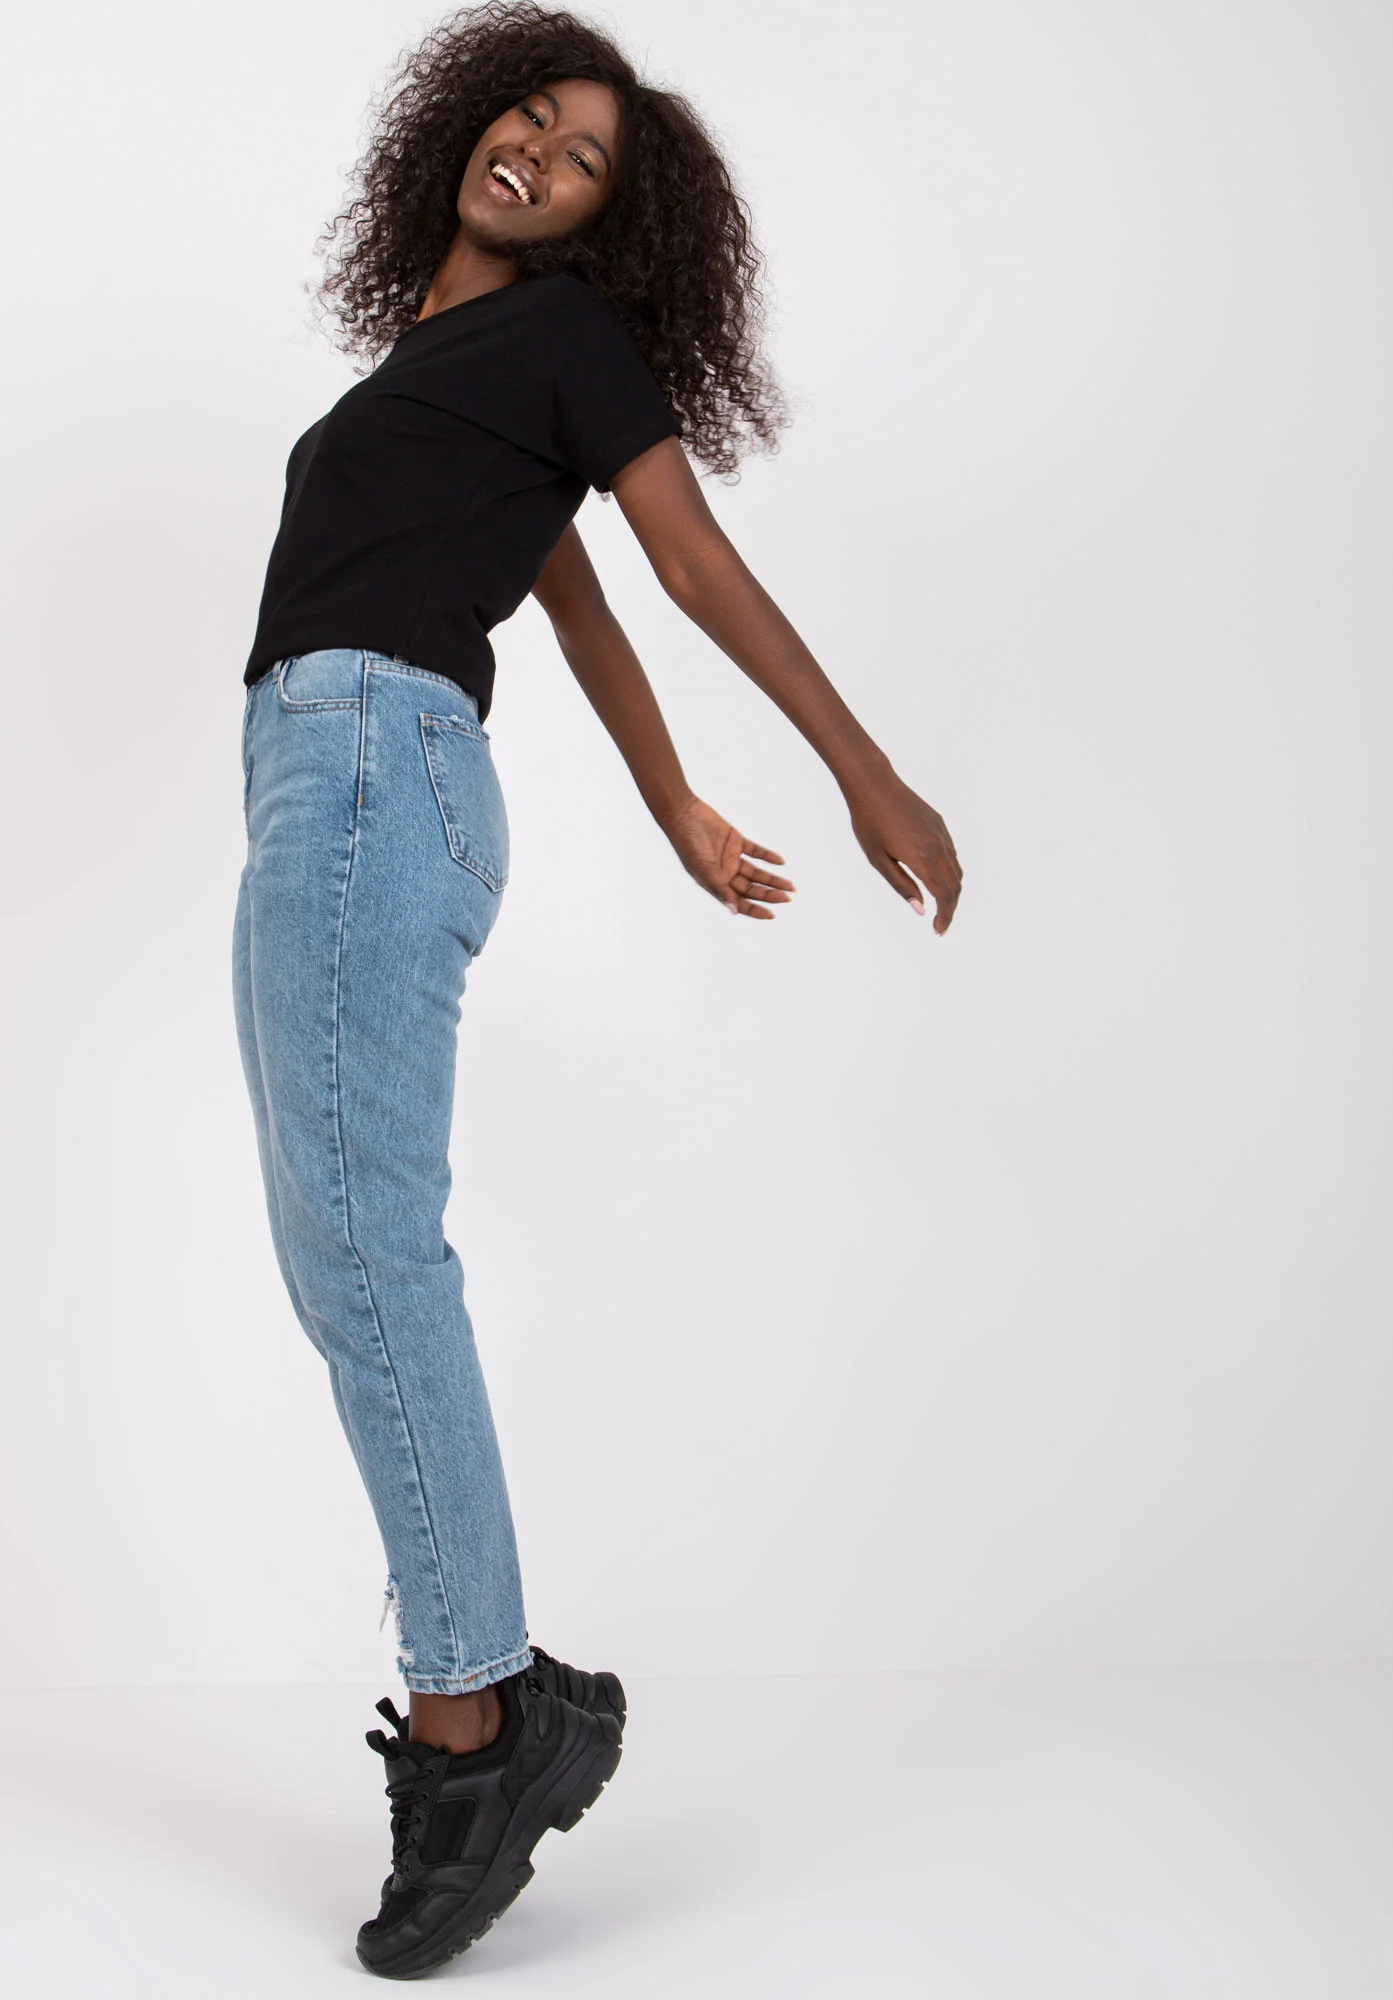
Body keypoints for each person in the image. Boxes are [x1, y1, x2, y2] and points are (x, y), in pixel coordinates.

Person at [232, 0, 962, 1977]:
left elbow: (687, 570)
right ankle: (497, 1700)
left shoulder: (565, 340)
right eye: (529, 118)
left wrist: (864, 771)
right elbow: (568, 606)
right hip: (327, 778)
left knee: (370, 1257)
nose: (538, 156)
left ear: (602, 231)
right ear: (465, 125)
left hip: (372, 772)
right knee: (343, 1260)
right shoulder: (443, 371)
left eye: (582, 162)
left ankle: (478, 1726)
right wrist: (671, 807)